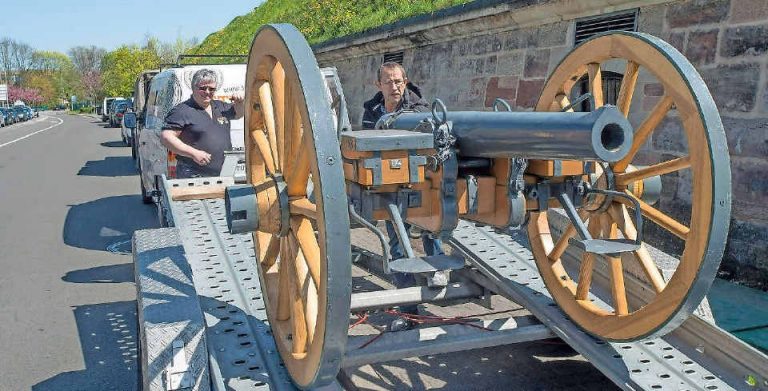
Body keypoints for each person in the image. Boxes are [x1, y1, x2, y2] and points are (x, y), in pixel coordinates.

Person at [362, 62, 445, 331]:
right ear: (379, 85)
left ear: (406, 81)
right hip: (388, 186)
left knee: (431, 230)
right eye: (388, 82)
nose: (394, 86)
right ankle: (408, 311)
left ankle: (437, 270)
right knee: (397, 245)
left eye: (398, 81)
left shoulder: (420, 110)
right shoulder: (370, 111)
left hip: (418, 183)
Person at [161, 68, 244, 178]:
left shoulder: (220, 106)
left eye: (211, 89)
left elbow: (238, 114)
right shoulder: (181, 111)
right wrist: (194, 153)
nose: (207, 92)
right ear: (193, 88)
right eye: (203, 88)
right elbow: (166, 137)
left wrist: (240, 102)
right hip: (192, 174)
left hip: (223, 173)